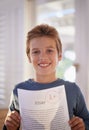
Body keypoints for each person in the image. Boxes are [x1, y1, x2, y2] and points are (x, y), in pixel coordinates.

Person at [3, 24, 89, 130]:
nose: (42, 57)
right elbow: (8, 126)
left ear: (60, 55)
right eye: (35, 52)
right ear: (29, 57)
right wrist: (10, 126)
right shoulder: (19, 91)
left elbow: (87, 120)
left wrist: (83, 126)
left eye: (49, 51)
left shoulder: (72, 90)